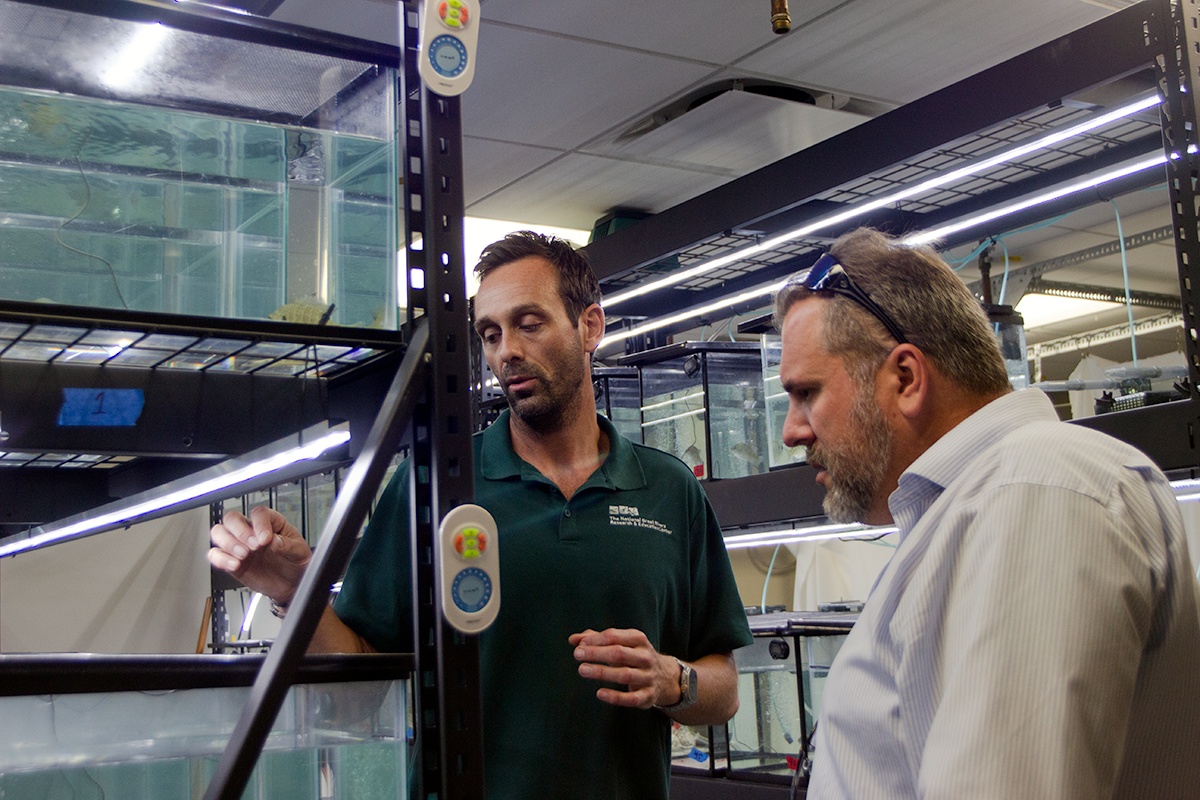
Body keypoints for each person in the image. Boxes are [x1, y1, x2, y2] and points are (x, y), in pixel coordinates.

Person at [209, 231, 753, 799]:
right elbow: (361, 692)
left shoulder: (669, 491)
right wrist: (299, 594)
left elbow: (725, 690)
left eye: (529, 323)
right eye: (490, 334)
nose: (505, 351)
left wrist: (674, 679)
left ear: (590, 325)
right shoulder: (433, 483)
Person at [774, 227, 1200, 799]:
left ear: (905, 378)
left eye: (807, 394)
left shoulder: (1040, 488)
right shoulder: (973, 507)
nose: (791, 432)